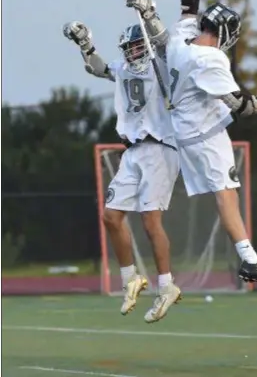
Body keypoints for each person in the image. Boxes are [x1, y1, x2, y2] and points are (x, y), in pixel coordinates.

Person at [121, 0, 257, 290]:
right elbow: (239, 106)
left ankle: (250, 259)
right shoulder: (210, 60)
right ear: (225, 32)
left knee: (227, 193)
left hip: (190, 130)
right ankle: (250, 262)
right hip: (205, 134)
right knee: (226, 194)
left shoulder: (183, 37)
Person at [63, 17, 180, 322]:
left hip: (160, 147)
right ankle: (131, 279)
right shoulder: (125, 67)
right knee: (111, 217)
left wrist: (149, 13)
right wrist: (85, 44)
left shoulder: (163, 66)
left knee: (151, 223)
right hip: (133, 151)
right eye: (129, 47)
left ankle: (166, 286)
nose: (133, 51)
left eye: (138, 44)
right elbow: (98, 67)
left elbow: (165, 44)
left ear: (148, 44)